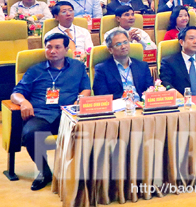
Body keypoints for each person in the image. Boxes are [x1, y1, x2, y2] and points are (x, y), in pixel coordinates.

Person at [11, 32, 91, 190]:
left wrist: (79, 100)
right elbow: (16, 93)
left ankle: (81, 173)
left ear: (66, 49)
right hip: (41, 114)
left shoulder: (78, 67)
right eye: (49, 47)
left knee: (91, 130)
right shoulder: (35, 70)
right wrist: (24, 102)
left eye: (57, 47)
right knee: (31, 134)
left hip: (68, 114)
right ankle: (44, 172)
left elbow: (86, 89)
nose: (52, 51)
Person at [92, 29, 155, 97]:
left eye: (125, 42)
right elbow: (101, 95)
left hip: (140, 105)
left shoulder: (142, 66)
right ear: (110, 50)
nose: (123, 46)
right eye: (118, 44)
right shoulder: (102, 69)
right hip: (117, 106)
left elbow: (150, 90)